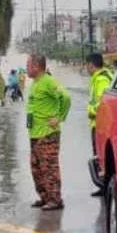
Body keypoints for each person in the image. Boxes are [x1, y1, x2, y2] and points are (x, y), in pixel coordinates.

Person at [26, 54, 71, 210]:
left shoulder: (48, 81)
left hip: (47, 134)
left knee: (49, 168)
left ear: (36, 66)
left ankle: (55, 200)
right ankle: (45, 197)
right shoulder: (35, 83)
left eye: (28, 65)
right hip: (35, 133)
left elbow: (66, 97)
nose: (26, 69)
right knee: (36, 168)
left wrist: (59, 118)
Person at [86, 52, 114, 197]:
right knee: (99, 155)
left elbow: (103, 102)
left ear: (91, 65)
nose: (86, 68)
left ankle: (104, 186)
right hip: (99, 124)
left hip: (100, 124)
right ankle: (103, 186)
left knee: (100, 156)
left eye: (87, 65)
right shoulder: (98, 78)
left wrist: (91, 111)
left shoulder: (101, 80)